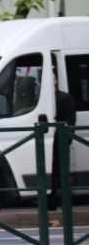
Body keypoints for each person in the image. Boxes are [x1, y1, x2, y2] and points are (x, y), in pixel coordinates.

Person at [50, 73, 76, 211]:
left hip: (60, 140)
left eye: (52, 78)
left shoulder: (64, 97)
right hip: (49, 141)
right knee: (52, 173)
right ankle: (52, 202)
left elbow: (71, 121)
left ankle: (66, 203)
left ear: (56, 80)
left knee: (62, 173)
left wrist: (67, 140)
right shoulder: (44, 98)